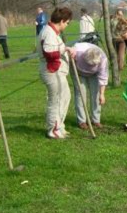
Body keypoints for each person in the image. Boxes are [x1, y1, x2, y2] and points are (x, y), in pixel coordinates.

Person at [37, 7, 75, 139]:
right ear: (62, 21)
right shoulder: (48, 33)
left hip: (57, 71)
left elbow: (55, 49)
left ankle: (59, 126)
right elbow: (49, 52)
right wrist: (64, 48)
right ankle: (53, 129)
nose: (67, 25)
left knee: (65, 97)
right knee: (56, 100)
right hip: (51, 71)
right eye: (67, 23)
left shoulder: (53, 33)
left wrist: (66, 49)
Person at [71, 43, 108, 129]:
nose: (91, 66)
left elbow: (103, 77)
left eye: (93, 65)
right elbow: (68, 52)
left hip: (94, 75)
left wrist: (102, 94)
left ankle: (96, 120)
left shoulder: (103, 59)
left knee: (96, 95)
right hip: (78, 72)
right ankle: (82, 121)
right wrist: (70, 57)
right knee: (80, 95)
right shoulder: (78, 51)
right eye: (89, 64)